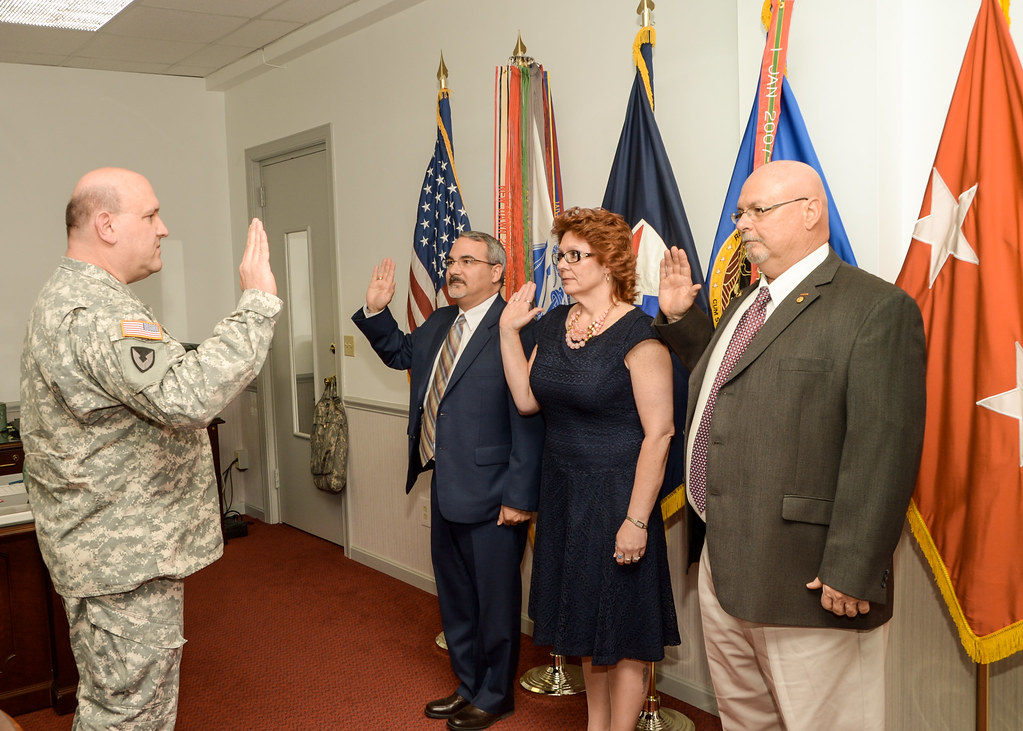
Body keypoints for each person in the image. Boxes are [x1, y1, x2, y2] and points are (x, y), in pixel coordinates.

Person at [653, 160, 926, 730]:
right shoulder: (749, 304)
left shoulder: (874, 308)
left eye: (760, 210)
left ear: (810, 212)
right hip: (726, 566)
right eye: (740, 213)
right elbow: (740, 382)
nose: (743, 224)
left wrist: (854, 568)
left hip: (810, 581)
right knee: (744, 719)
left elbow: (884, 449)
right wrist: (682, 321)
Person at [20, 167, 280, 729]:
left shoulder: (78, 295)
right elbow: (187, 395)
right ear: (106, 225)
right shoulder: (100, 311)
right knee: (128, 714)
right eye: (151, 215)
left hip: (113, 553)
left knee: (123, 705)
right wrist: (256, 304)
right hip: (120, 562)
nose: (163, 228)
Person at [352, 231, 543, 731]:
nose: (453, 269)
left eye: (467, 261)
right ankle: (467, 685)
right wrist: (376, 313)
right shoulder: (441, 321)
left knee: (496, 601)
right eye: (451, 260)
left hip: (496, 494)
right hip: (445, 486)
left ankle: (495, 694)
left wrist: (520, 496)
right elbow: (400, 354)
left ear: (497, 271)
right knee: (456, 596)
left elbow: (529, 420)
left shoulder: (515, 328)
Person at [499, 207, 680, 731]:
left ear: (610, 263)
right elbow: (528, 400)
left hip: (618, 496)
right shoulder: (556, 322)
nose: (563, 265)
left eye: (576, 256)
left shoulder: (640, 333)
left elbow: (660, 433)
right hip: (564, 494)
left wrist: (638, 520)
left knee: (620, 633)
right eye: (561, 255)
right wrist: (511, 334)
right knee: (583, 622)